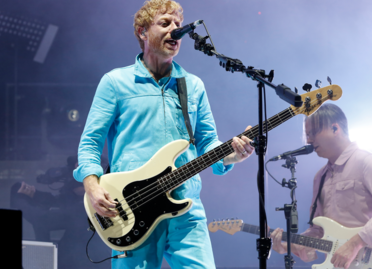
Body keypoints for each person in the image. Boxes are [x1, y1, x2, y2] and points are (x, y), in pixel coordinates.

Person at [72, 0, 254, 268]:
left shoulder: (192, 85)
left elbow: (207, 142)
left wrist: (230, 156)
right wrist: (92, 186)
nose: (175, 30)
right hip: (132, 208)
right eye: (165, 23)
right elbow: (90, 143)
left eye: (178, 24)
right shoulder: (115, 83)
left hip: (186, 207)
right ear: (142, 32)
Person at [270, 103, 372, 269]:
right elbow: (319, 231)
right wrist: (288, 246)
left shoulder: (367, 162)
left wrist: (355, 243)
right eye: (307, 135)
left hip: (371, 262)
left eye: (313, 133)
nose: (309, 140)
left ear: (335, 128)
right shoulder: (320, 177)